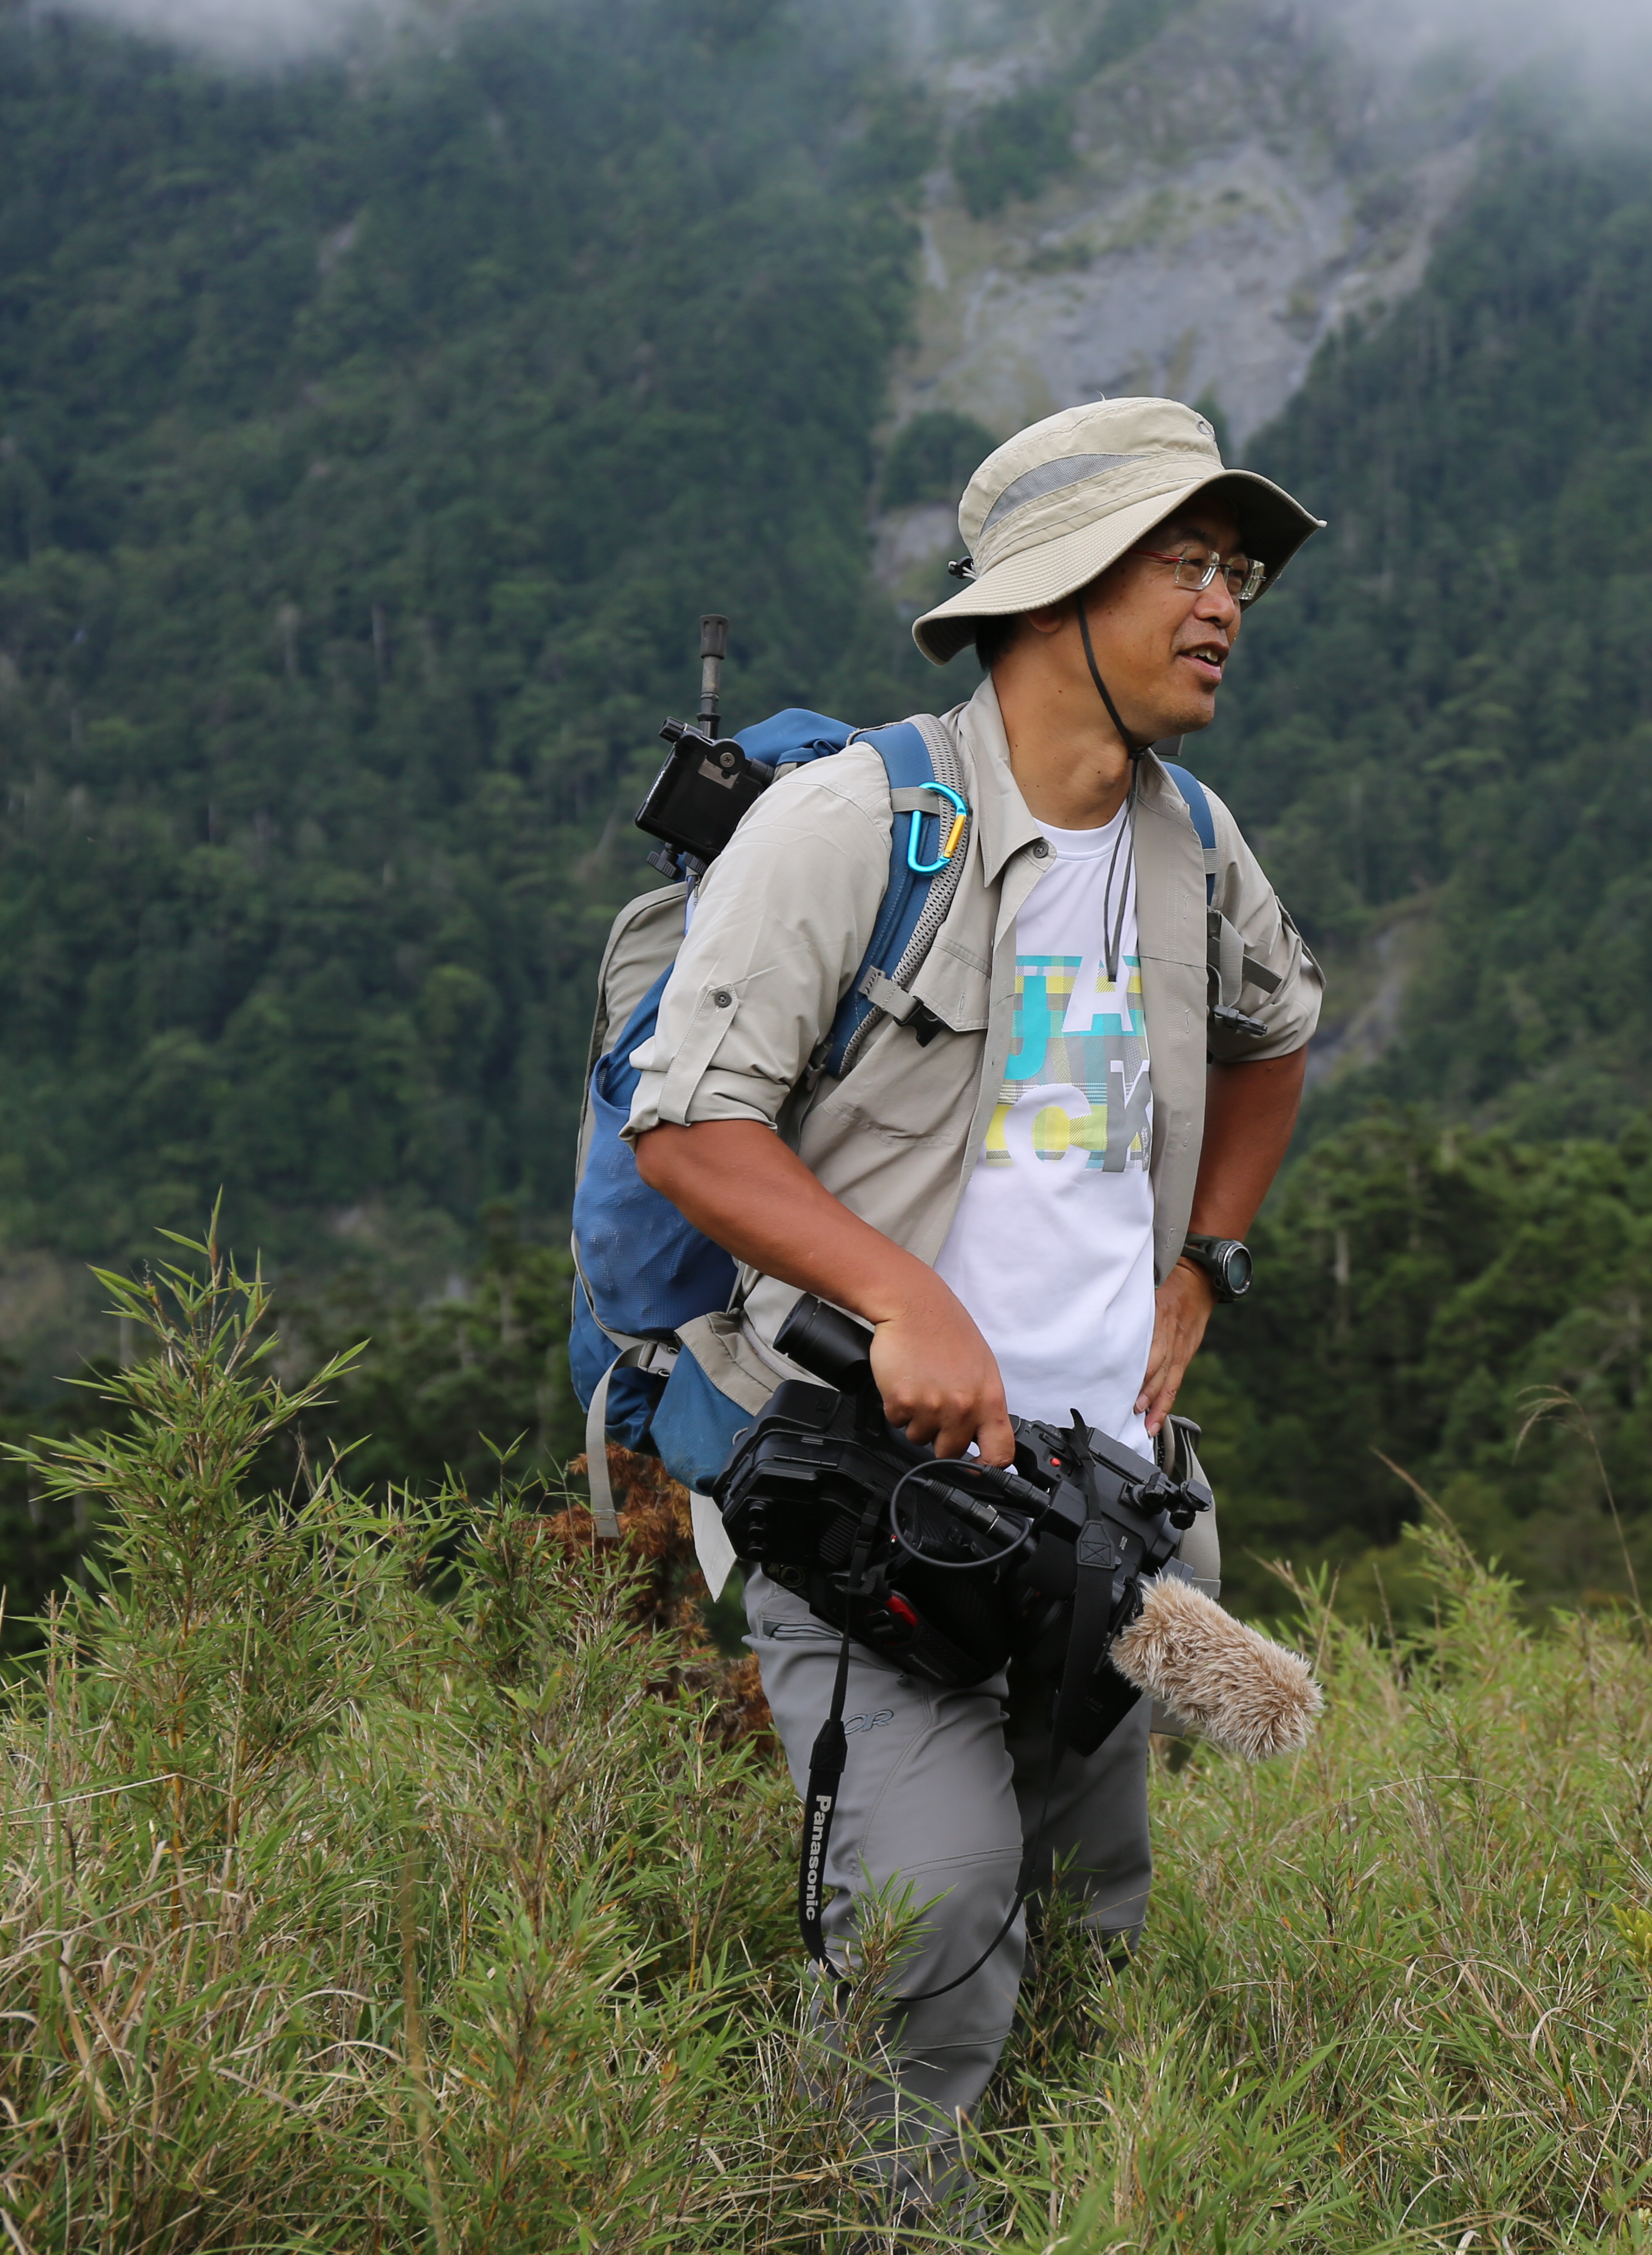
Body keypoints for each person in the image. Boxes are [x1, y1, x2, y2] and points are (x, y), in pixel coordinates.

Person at [624, 396, 1324, 2185]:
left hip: (1111, 1497)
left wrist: (1204, 1270)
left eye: (1236, 566)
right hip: (882, 1497)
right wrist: (903, 1300)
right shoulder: (860, 827)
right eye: (1187, 559)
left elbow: (1276, 1039)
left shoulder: (1191, 841)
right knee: (931, 1917)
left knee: (1090, 1914)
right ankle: (853, 2219)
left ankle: (1061, 2206)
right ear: (1055, 589)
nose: (1226, 600)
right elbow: (692, 1128)